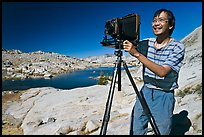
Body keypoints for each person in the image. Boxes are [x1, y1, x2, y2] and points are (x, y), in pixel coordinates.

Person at [123, 8, 185, 135]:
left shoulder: (178, 47)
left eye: (161, 20)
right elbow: (132, 45)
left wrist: (136, 54)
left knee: (161, 131)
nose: (156, 23)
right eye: (154, 20)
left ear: (171, 25)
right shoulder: (147, 43)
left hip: (164, 94)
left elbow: (162, 72)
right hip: (145, 91)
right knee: (137, 127)